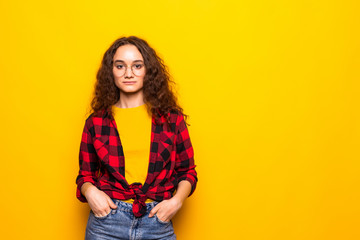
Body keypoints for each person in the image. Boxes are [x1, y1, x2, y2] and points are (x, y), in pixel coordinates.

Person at [75, 36, 198, 240]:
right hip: (106, 222)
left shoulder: (171, 120)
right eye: (120, 66)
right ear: (110, 72)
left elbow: (187, 172)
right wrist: (90, 193)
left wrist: (176, 201)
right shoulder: (96, 122)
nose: (129, 73)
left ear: (148, 71)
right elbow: (85, 175)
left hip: (157, 220)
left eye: (137, 66)